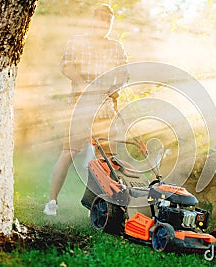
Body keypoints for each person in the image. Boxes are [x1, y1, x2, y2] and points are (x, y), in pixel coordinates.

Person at [44, 4, 128, 215]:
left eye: (108, 22)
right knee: (69, 152)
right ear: (93, 21)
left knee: (109, 160)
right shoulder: (77, 42)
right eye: (100, 20)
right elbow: (66, 66)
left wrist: (114, 89)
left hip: (105, 110)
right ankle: (52, 202)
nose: (104, 25)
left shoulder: (116, 47)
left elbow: (124, 75)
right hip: (80, 108)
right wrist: (84, 85)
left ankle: (104, 208)